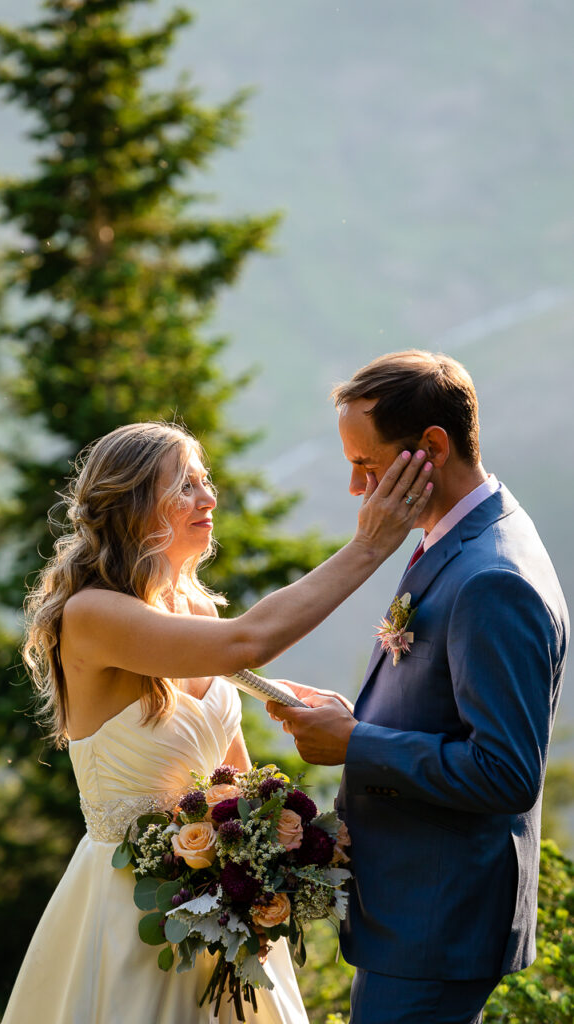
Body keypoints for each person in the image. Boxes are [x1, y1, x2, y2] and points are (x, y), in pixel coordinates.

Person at [0, 419, 433, 1024]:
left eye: (205, 482)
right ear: (130, 505)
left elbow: (232, 775)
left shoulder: (197, 606)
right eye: (183, 487)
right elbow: (246, 644)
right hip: (130, 915)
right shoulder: (91, 614)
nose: (208, 499)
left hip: (224, 913)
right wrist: (369, 547)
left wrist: (270, 856)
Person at [268, 350, 569, 1024]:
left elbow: (505, 772)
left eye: (365, 465)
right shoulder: (458, 541)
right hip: (415, 917)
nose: (356, 489)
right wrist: (357, 719)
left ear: (431, 446)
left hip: (440, 925)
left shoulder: (494, 578)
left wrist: (358, 744)